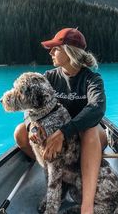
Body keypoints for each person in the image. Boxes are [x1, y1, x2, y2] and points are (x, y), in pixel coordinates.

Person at [14, 28, 107, 214]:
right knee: (20, 134)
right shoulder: (49, 77)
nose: (50, 52)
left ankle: (86, 207)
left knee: (89, 131)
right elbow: (29, 106)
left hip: (87, 139)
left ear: (70, 52)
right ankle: (61, 177)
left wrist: (64, 132)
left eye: (56, 48)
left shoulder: (92, 79)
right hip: (59, 143)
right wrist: (32, 125)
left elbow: (97, 107)